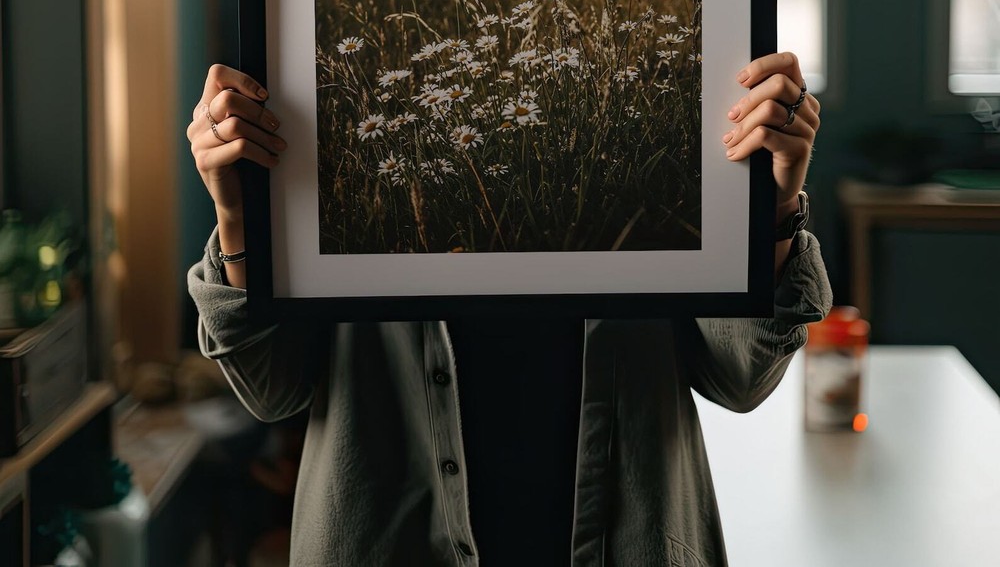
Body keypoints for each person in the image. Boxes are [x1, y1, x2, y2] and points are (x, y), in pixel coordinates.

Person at [188, 51, 831, 567]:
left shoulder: (649, 161)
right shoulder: (337, 147)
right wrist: (242, 216)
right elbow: (272, 390)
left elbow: (742, 379)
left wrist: (768, 212)